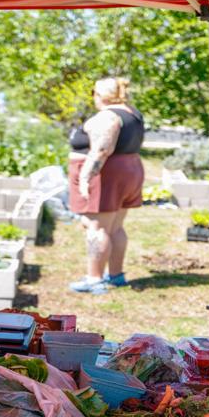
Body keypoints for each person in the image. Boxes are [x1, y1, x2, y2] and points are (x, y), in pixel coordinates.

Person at [67, 76, 145, 294]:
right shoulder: (132, 114)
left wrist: (85, 177)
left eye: (94, 93)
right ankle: (116, 275)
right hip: (128, 170)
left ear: (101, 95)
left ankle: (94, 279)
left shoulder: (108, 116)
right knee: (115, 226)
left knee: (97, 227)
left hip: (107, 176)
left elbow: (102, 149)